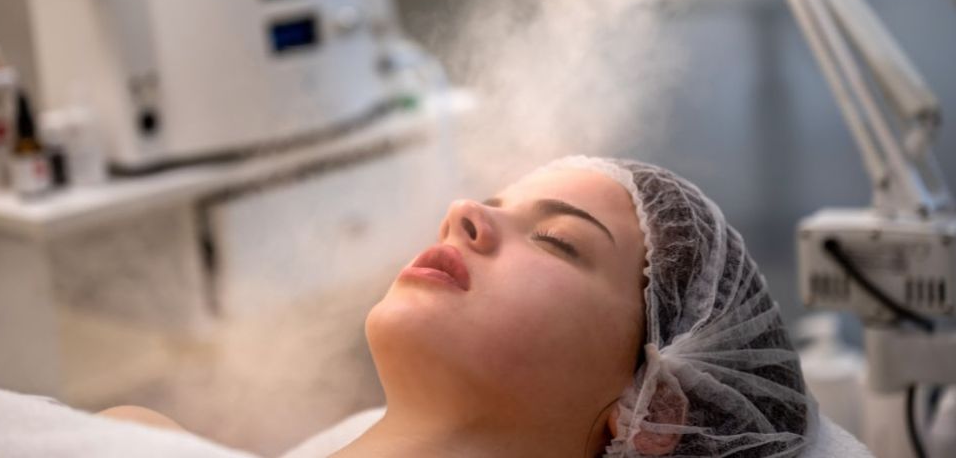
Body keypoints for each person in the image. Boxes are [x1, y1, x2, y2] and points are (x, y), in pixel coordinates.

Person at [103, 156, 814, 457]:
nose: (461, 212)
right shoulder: (129, 440)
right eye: (492, 203)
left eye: (557, 241)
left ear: (652, 414)